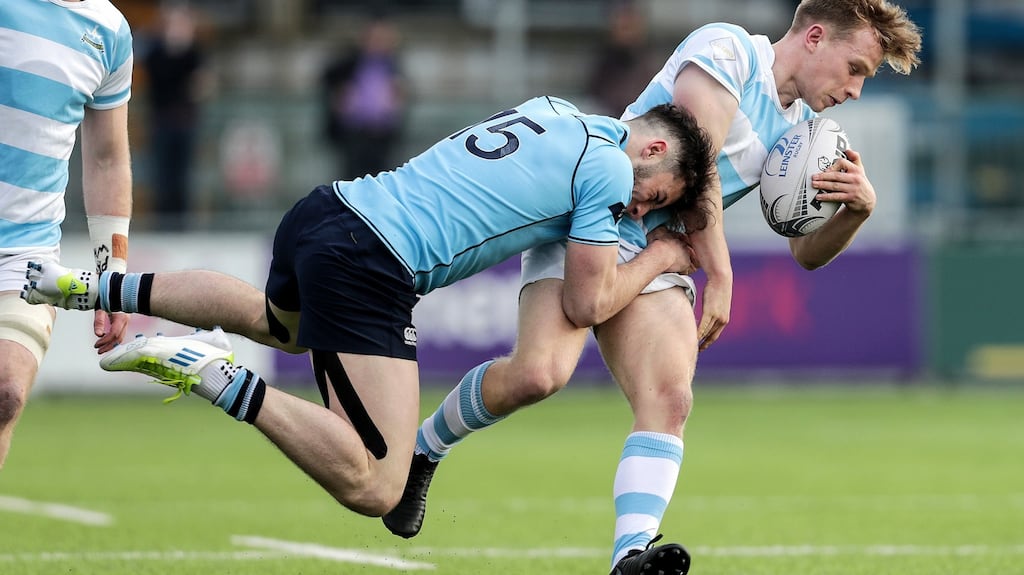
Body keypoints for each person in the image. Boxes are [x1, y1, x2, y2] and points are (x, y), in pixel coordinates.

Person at [383, 2, 923, 575]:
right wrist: (722, 273)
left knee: (670, 399)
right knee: (537, 375)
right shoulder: (728, 50)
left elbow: (803, 254)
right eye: (857, 68)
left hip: (665, 253)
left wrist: (855, 211)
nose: (857, 90)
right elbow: (702, 160)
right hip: (599, 216)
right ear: (815, 37)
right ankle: (424, 450)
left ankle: (631, 556)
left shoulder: (800, 134)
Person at [22, 97, 716, 542]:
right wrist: (659, 256)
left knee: (279, 323)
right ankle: (219, 374)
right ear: (650, 151)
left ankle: (94, 284)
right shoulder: (609, 172)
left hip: (329, 210)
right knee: (377, 482)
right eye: (656, 197)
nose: (642, 211)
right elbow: (586, 304)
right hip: (374, 260)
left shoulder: (559, 111)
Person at [0, 0, 134, 471]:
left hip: (23, 253)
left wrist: (111, 277)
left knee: (5, 392)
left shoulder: (111, 30)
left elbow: (107, 159)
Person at [142, 2, 210, 231]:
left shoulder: (195, 53)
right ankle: (163, 222)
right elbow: (161, 85)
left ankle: (183, 223)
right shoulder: (156, 54)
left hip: (186, 122)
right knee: (163, 174)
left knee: (184, 175)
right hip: (162, 121)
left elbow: (201, 87)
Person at [321, 12, 406, 180]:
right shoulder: (348, 61)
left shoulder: (392, 64)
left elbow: (400, 95)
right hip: (354, 132)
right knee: (352, 178)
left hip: (383, 134)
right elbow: (328, 80)